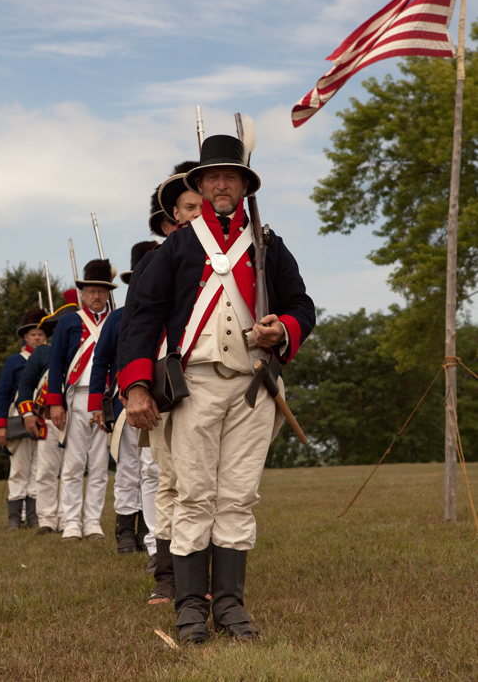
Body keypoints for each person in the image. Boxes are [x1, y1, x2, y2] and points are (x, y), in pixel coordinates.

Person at [120, 134, 315, 643]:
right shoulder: (178, 247)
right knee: (194, 496)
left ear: (244, 185)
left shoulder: (268, 244)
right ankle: (189, 608)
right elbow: (142, 316)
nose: (222, 184)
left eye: (232, 177)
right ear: (201, 186)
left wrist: (283, 330)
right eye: (213, 178)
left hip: (254, 387)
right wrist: (137, 387)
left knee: (237, 497)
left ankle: (230, 605)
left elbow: (302, 306)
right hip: (197, 386)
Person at [118, 161, 202, 605]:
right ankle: (169, 575)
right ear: (173, 216)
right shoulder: (156, 260)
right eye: (189, 207)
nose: (197, 214)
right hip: (169, 382)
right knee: (168, 479)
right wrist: (136, 385)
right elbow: (135, 327)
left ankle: (215, 577)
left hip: (226, 382)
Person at [88, 242, 158, 564]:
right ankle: (125, 531)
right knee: (129, 467)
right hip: (123, 404)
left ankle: (149, 528)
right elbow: (100, 363)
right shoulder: (116, 320)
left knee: (154, 468)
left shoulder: (164, 315)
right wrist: (96, 406)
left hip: (161, 402)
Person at [46, 259, 117, 542]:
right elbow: (56, 364)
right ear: (83, 293)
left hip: (106, 400)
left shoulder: (116, 319)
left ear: (108, 293)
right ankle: (73, 523)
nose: (96, 295)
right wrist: (55, 402)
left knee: (99, 465)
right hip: (76, 397)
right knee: (74, 464)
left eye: (101, 290)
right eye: (91, 291)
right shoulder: (68, 322)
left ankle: (93, 523)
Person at [17, 292, 79, 535]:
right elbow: (25, 385)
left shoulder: (83, 352)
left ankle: (67, 518)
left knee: (71, 470)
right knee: (46, 471)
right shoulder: (42, 352)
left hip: (76, 417)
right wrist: (28, 414)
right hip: (47, 419)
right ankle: (47, 519)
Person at [0, 308, 48, 530]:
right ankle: (15, 518)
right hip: (18, 421)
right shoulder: (14, 360)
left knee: (39, 469)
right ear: (25, 337)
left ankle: (34, 516)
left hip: (43, 421)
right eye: (33, 334)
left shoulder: (50, 358)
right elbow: (3, 394)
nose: (37, 337)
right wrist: (0, 426)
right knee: (18, 469)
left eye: (41, 334)